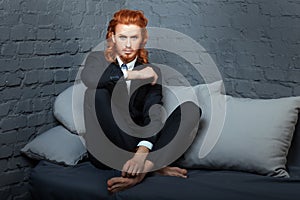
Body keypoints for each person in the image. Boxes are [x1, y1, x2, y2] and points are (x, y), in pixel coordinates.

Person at [81, 9, 201, 193]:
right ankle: (155, 167)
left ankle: (144, 168)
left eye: (134, 38)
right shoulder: (97, 60)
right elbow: (89, 78)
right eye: (122, 37)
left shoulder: (152, 72)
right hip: (106, 150)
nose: (128, 45)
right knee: (96, 93)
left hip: (137, 144)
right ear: (112, 38)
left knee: (191, 109)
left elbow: (153, 114)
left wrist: (142, 155)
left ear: (143, 39)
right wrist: (134, 74)